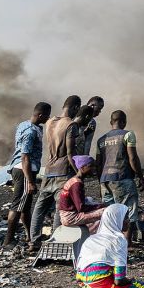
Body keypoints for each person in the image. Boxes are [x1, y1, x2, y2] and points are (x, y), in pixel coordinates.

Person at [28, 96, 90, 251]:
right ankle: (54, 243)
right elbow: (70, 153)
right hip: (63, 172)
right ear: (76, 108)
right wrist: (78, 173)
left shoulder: (49, 122)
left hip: (48, 170)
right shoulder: (71, 125)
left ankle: (33, 242)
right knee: (59, 209)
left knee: (39, 208)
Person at [3, 102, 52, 247]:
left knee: (25, 206)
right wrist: (30, 181)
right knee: (18, 205)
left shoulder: (24, 125)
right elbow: (25, 157)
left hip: (22, 169)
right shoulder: (30, 131)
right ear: (41, 115)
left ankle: (30, 236)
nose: (48, 119)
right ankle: (8, 240)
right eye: (47, 116)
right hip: (24, 170)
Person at [96, 110, 144, 238]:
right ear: (124, 122)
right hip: (122, 178)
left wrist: (100, 182)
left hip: (105, 180)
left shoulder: (101, 140)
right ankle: (127, 245)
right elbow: (133, 158)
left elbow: (98, 164)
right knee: (128, 212)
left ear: (111, 122)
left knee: (110, 214)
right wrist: (140, 176)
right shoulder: (128, 135)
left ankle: (112, 242)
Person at [58, 156, 106, 233]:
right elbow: (81, 208)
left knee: (90, 200)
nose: (93, 169)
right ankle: (95, 235)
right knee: (106, 211)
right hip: (70, 217)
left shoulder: (73, 180)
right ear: (82, 167)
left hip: (66, 214)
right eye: (91, 166)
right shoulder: (76, 184)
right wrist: (101, 206)